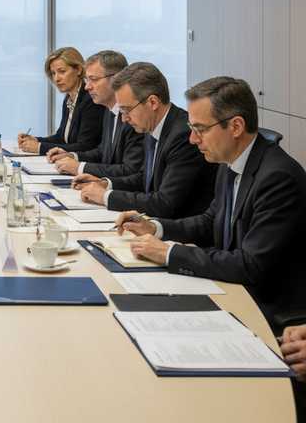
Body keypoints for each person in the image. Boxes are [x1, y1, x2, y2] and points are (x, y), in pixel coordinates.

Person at [115, 77, 306, 335]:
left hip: (267, 313)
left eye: (200, 129)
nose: (193, 139)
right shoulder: (231, 161)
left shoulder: (277, 178)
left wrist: (169, 253)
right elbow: (209, 221)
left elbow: (250, 265)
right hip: (231, 289)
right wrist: (155, 227)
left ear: (236, 126)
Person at [73, 61, 216, 218]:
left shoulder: (182, 136)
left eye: (127, 110)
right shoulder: (151, 125)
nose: (124, 119)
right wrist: (107, 184)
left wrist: (106, 196)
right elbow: (144, 178)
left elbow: (165, 203)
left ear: (153, 102)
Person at [46, 50, 144, 177]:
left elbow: (130, 170)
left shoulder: (132, 116)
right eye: (87, 80)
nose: (87, 87)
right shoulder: (109, 111)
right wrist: (72, 155)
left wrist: (80, 167)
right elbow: (102, 152)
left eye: (93, 79)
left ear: (117, 79)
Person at [17, 46, 104, 155]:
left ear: (78, 69)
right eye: (53, 73)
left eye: (62, 71)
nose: (56, 79)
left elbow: (85, 146)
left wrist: (40, 147)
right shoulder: (69, 98)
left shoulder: (90, 99)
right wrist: (36, 140)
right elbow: (61, 137)